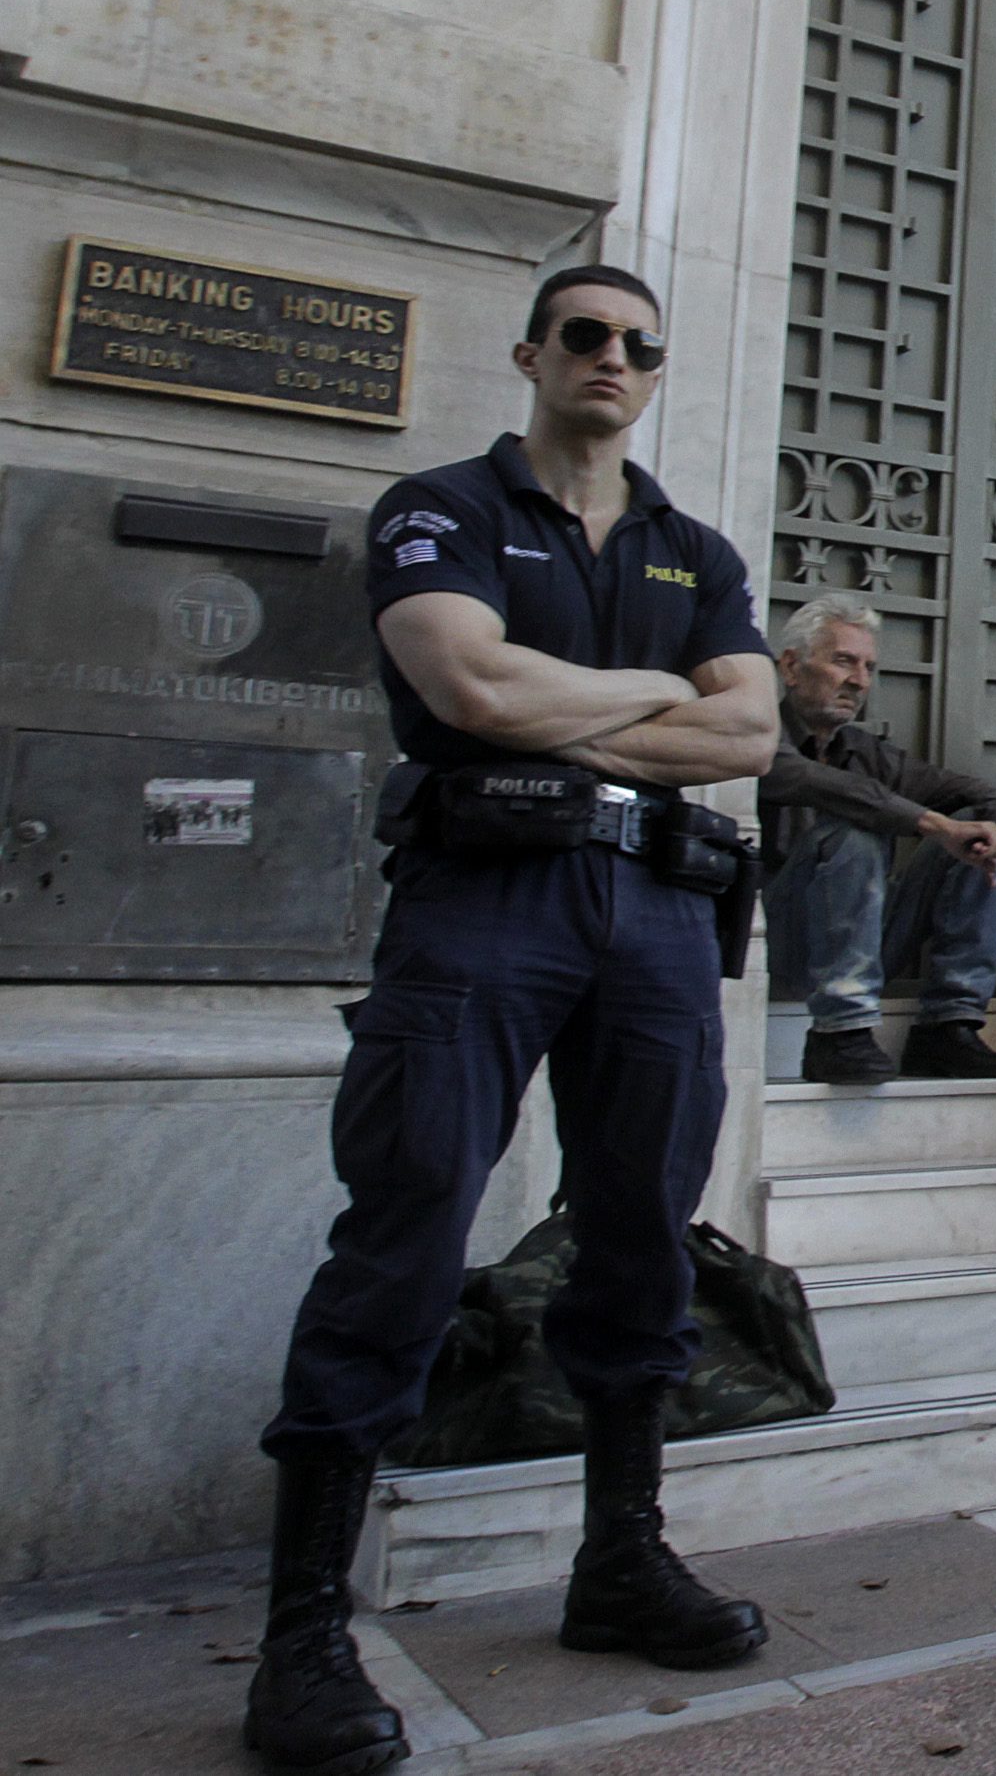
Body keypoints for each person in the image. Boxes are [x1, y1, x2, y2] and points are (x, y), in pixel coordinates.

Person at [250, 265, 782, 1775]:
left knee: (640, 1238)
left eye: (637, 343)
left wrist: (569, 695)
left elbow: (749, 729)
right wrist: (644, 696)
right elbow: (464, 683)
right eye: (585, 335)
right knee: (406, 1229)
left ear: (658, 372)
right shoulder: (441, 506)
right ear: (534, 354)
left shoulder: (698, 548)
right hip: (485, 899)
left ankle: (619, 1556)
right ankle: (303, 1634)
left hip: (661, 915)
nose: (611, 358)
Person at [759, 594, 996, 1086]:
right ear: (792, 667)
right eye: (843, 661)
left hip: (865, 942)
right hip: (776, 943)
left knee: (972, 834)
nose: (859, 681)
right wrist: (932, 824)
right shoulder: (758, 734)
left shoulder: (865, 751)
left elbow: (978, 792)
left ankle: (949, 1025)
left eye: (868, 667)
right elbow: (819, 786)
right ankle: (839, 1034)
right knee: (854, 829)